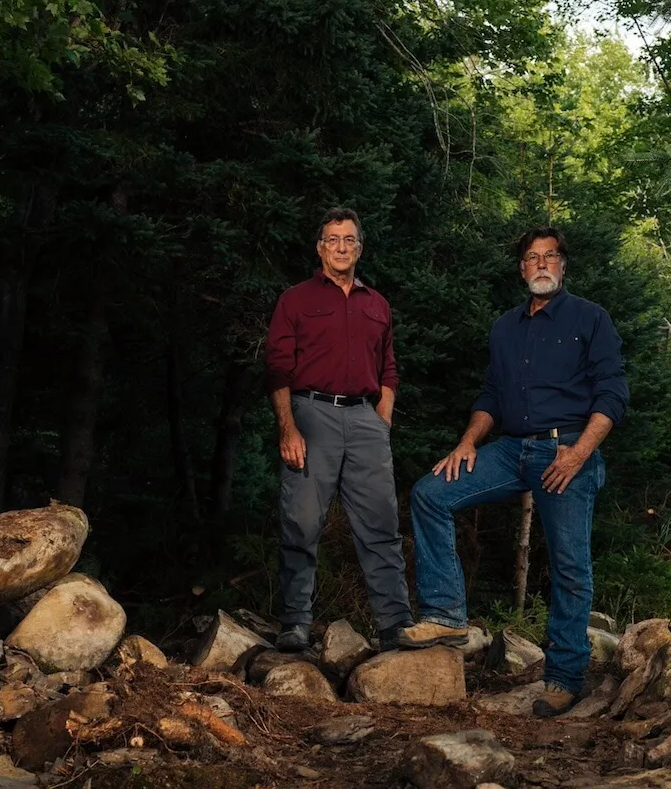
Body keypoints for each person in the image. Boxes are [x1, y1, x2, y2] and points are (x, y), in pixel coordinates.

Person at [396, 226, 629, 717]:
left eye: (550, 257)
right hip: (509, 450)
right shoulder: (505, 327)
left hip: (566, 451)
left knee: (569, 565)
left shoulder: (590, 318)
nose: (541, 264)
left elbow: (613, 393)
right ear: (521, 268)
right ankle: (447, 615)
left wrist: (579, 453)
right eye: (531, 257)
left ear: (563, 266)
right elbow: (490, 396)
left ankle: (564, 678)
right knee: (430, 493)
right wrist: (466, 442)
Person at [264, 207, 412, 653]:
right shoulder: (296, 299)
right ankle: (295, 624)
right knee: (302, 522)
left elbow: (388, 367)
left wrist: (381, 420)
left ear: (359, 248)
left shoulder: (377, 304)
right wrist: (288, 428)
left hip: (365, 419)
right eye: (332, 239)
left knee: (381, 525)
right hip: (311, 415)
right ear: (320, 248)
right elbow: (277, 367)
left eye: (349, 240)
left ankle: (394, 625)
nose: (341, 247)